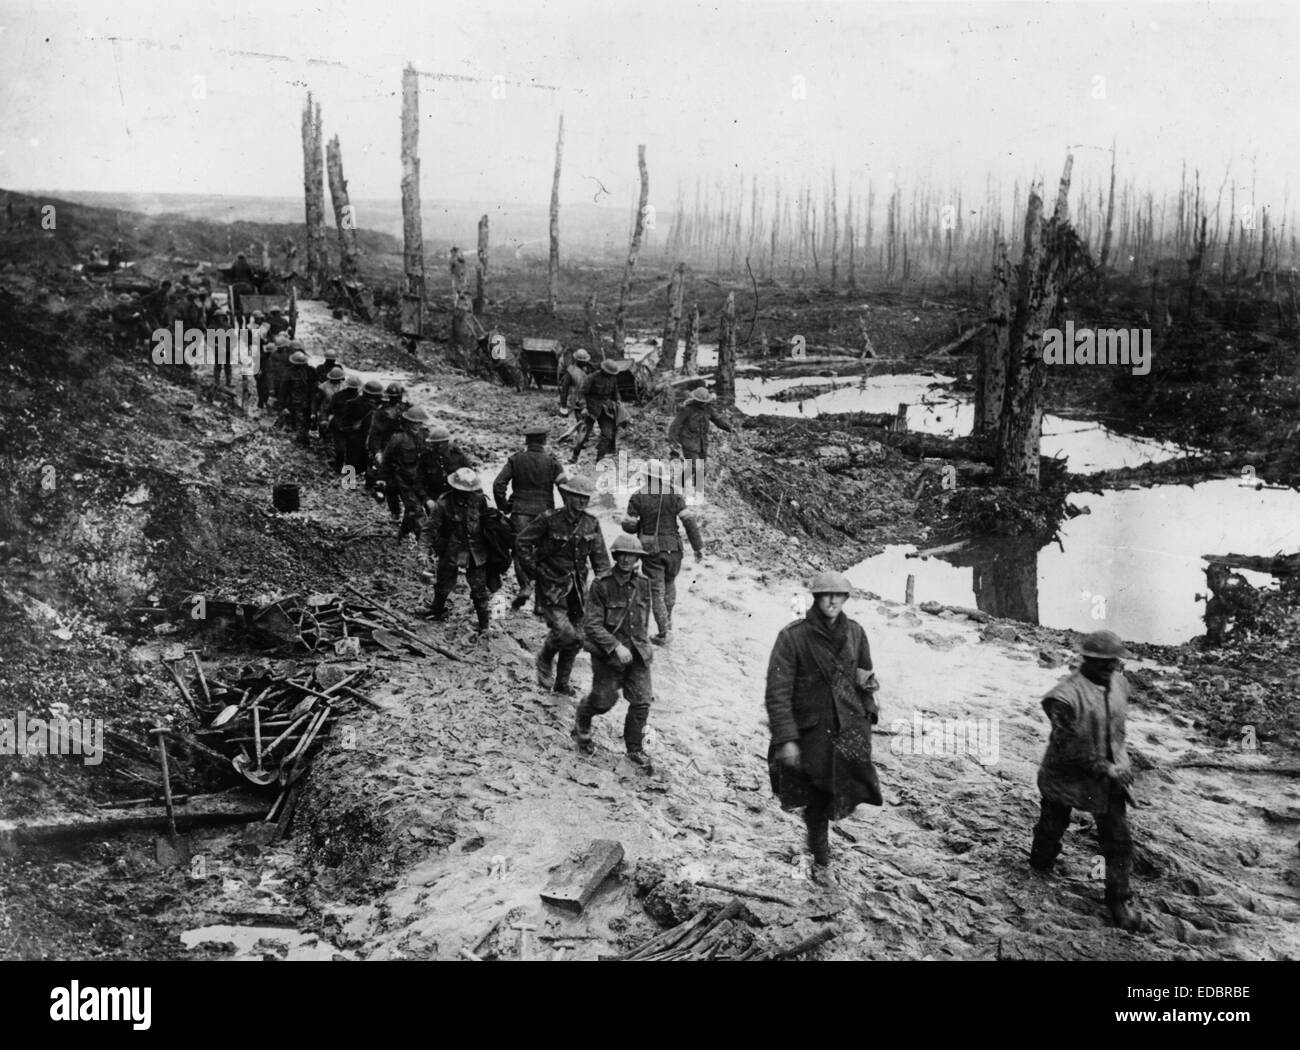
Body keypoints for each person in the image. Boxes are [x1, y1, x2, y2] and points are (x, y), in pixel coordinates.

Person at [765, 571, 882, 880]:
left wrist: (869, 712)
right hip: (810, 734)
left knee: (842, 792)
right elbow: (777, 693)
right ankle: (821, 861)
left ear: (845, 599)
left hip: (847, 730)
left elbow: (865, 677)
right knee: (815, 800)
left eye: (839, 595)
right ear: (815, 598)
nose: (833, 600)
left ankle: (820, 847)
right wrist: (786, 739)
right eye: (826, 595)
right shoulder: (793, 637)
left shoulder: (855, 633)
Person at [1030, 630, 1141, 932]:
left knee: (1118, 840)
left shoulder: (1120, 684)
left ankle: (1119, 899)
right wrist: (1105, 767)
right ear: (1087, 661)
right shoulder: (1063, 698)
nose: (1110, 670)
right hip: (1065, 776)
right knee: (1052, 826)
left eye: (1114, 663)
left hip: (1109, 779)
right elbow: (1068, 748)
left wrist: (1120, 764)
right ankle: (1041, 858)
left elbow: (1118, 731)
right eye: (1103, 664)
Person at [516, 476, 610, 698]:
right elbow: (522, 542)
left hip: (578, 590)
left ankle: (562, 683)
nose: (581, 502)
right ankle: (545, 657)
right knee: (564, 632)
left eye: (585, 498)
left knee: (578, 637)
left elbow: (601, 560)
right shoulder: (550, 519)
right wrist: (535, 572)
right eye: (577, 497)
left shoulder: (591, 523)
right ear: (567, 496)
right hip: (552, 587)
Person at [576, 534, 656, 771]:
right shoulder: (601, 585)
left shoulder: (643, 584)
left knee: (641, 701)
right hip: (608, 655)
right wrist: (615, 646)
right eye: (622, 555)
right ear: (616, 556)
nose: (626, 560)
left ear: (637, 559)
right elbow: (591, 624)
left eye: (631, 556)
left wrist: (642, 647)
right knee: (604, 701)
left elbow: (643, 619)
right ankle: (582, 720)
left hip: (638, 653)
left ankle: (634, 748)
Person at [622, 460, 704, 645]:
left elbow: (629, 526)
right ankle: (668, 624)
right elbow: (688, 521)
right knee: (670, 583)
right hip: (674, 549)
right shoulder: (674, 494)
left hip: (652, 551)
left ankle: (664, 633)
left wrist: (636, 526)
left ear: (645, 476)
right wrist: (698, 547)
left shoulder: (638, 496)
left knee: (656, 591)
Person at [493, 423, 566, 610]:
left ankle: (525, 586)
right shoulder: (552, 461)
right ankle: (540, 604)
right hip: (545, 513)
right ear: (544, 441)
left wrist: (504, 506)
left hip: (520, 513)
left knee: (519, 551)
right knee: (544, 555)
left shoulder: (516, 460)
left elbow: (498, 484)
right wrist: (567, 512)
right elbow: (564, 486)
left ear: (527, 441)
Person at [425, 468, 494, 631]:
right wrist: (423, 550)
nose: (465, 495)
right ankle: (437, 611)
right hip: (452, 549)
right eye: (461, 491)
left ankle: (484, 625)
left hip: (476, 551)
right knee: (443, 583)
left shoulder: (481, 501)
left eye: (468, 491)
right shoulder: (443, 503)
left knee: (479, 589)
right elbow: (430, 529)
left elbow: (493, 526)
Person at [378, 406, 435, 540]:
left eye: (419, 422)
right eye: (414, 422)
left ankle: (402, 533)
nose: (417, 425)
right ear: (408, 422)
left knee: (412, 511)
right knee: (416, 510)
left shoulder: (426, 436)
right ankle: (424, 542)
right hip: (404, 481)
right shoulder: (398, 438)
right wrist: (382, 478)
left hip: (421, 481)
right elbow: (386, 459)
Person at [668, 385, 733, 493]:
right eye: (700, 401)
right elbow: (674, 426)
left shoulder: (708, 409)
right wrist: (673, 442)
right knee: (696, 467)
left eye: (704, 401)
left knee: (701, 470)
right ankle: (679, 484)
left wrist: (729, 428)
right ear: (695, 400)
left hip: (702, 444)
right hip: (688, 442)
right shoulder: (687, 410)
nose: (702, 403)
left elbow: (718, 420)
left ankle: (695, 490)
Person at [571, 358, 623, 465]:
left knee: (607, 435)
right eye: (608, 373)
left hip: (606, 410)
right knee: (584, 434)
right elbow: (581, 393)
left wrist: (618, 400)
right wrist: (584, 407)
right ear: (603, 370)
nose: (610, 375)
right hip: (591, 409)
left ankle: (599, 459)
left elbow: (615, 391)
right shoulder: (592, 377)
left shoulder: (613, 378)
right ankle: (574, 456)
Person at [368, 383, 407, 510]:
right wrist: (377, 451)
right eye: (393, 397)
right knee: (381, 468)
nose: (396, 400)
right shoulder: (381, 412)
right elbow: (376, 434)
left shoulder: (407, 410)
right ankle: (379, 489)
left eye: (398, 397)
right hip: (387, 444)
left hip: (403, 444)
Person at [278, 349, 315, 444]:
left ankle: (302, 438)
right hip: (295, 402)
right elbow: (283, 390)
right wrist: (283, 405)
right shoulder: (288, 372)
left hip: (308, 401)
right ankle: (303, 441)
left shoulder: (310, 371)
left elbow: (313, 387)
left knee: (306, 421)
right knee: (300, 421)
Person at [559, 349, 592, 418]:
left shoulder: (586, 370)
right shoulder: (571, 371)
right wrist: (563, 405)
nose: (585, 363)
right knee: (579, 420)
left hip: (584, 401)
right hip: (575, 400)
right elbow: (564, 388)